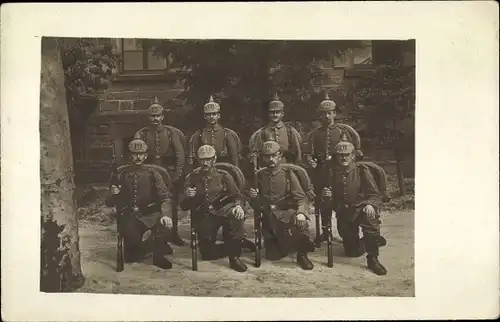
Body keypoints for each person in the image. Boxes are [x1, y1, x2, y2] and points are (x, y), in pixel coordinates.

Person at [187, 95, 255, 252]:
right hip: (204, 173)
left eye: (214, 114)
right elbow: (192, 160)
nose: (212, 117)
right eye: (209, 114)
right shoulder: (198, 135)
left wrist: (236, 178)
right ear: (205, 116)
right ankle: (204, 234)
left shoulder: (227, 134)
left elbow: (235, 159)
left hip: (226, 172)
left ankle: (234, 236)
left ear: (219, 115)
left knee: (229, 201)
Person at [321, 138, 387, 275]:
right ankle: (374, 240)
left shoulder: (361, 171)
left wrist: (370, 204)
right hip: (344, 212)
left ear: (353, 156)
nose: (344, 157)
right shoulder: (331, 173)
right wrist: (326, 195)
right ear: (336, 156)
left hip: (362, 209)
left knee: (370, 219)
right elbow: (329, 202)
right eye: (341, 155)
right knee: (352, 252)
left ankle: (372, 258)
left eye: (347, 154)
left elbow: (375, 194)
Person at [248, 141, 315, 270]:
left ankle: (302, 254)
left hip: (288, 217)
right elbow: (256, 206)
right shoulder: (259, 176)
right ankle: (287, 244)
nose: (271, 159)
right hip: (269, 220)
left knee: (300, 225)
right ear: (263, 157)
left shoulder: (288, 174)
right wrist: (254, 197)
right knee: (273, 256)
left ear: (279, 155)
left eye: (274, 155)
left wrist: (301, 213)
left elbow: (301, 198)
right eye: (267, 156)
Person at [181, 145, 248, 273]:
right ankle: (237, 244)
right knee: (207, 255)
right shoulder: (192, 177)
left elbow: (237, 195)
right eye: (202, 160)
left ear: (214, 159)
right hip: (204, 217)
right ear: (198, 160)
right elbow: (183, 206)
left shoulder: (224, 176)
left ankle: (234, 258)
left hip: (223, 211)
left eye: (208, 159)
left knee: (236, 215)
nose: (205, 163)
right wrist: (188, 197)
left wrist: (239, 205)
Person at [109, 139, 174, 270]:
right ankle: (153, 245)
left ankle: (159, 256)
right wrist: (115, 193)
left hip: (151, 214)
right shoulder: (122, 174)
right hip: (131, 216)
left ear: (145, 155)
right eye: (134, 154)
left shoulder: (153, 173)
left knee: (163, 225)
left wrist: (166, 214)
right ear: (129, 155)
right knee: (132, 256)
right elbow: (109, 201)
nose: (138, 157)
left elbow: (165, 197)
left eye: (141, 154)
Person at [306, 93, 363, 243]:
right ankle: (326, 231)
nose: (326, 116)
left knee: (340, 201)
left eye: (329, 113)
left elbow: (353, 153)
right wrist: (311, 162)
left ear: (334, 114)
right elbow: (309, 154)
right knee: (323, 203)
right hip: (320, 173)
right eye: (323, 113)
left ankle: (345, 230)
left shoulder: (344, 132)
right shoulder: (315, 135)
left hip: (338, 174)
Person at [133, 97, 186, 246]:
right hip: (149, 173)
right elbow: (137, 152)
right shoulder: (142, 134)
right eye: (152, 116)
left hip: (168, 174)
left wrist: (176, 175)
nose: (155, 119)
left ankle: (173, 233)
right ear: (148, 117)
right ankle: (157, 234)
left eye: (158, 116)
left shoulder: (170, 133)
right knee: (153, 203)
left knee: (171, 203)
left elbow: (180, 155)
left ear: (162, 116)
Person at [249, 93, 303, 167]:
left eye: (278, 112)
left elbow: (297, 151)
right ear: (268, 114)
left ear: (282, 114)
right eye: (272, 112)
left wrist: (296, 167)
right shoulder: (262, 132)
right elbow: (255, 154)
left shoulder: (290, 130)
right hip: (268, 166)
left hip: (286, 166)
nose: (275, 115)